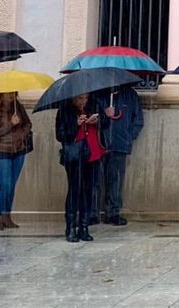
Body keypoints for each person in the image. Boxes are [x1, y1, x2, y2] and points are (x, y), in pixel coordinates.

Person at [56, 92, 107, 244]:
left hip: (92, 153)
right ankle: (71, 227)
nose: (83, 101)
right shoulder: (64, 110)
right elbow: (60, 135)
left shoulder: (94, 105)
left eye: (85, 98)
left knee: (89, 190)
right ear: (73, 97)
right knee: (74, 190)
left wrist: (96, 120)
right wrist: (76, 124)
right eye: (80, 98)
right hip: (75, 155)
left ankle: (84, 227)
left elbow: (106, 124)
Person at [92, 85, 143, 226]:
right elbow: (91, 119)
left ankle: (113, 213)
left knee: (116, 180)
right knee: (95, 180)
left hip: (120, 144)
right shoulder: (97, 95)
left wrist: (128, 136)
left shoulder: (130, 95)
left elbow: (138, 119)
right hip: (99, 144)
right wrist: (104, 116)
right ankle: (92, 213)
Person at [0, 90, 34, 230]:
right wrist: (10, 124)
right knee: (6, 185)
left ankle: (6, 215)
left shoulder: (18, 107)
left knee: (11, 186)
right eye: (8, 93)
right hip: (0, 150)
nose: (11, 96)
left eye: (13, 93)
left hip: (18, 150)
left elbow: (28, 124)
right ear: (1, 94)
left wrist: (19, 134)